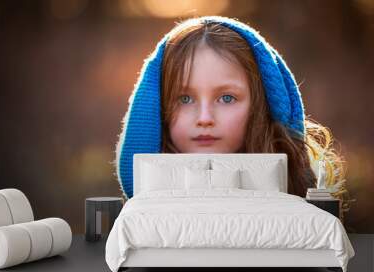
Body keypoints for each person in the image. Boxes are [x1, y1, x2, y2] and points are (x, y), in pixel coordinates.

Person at [114, 16, 350, 217]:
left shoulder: (297, 208)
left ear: (261, 105)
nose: (204, 118)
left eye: (226, 98)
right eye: (185, 99)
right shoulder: (147, 212)